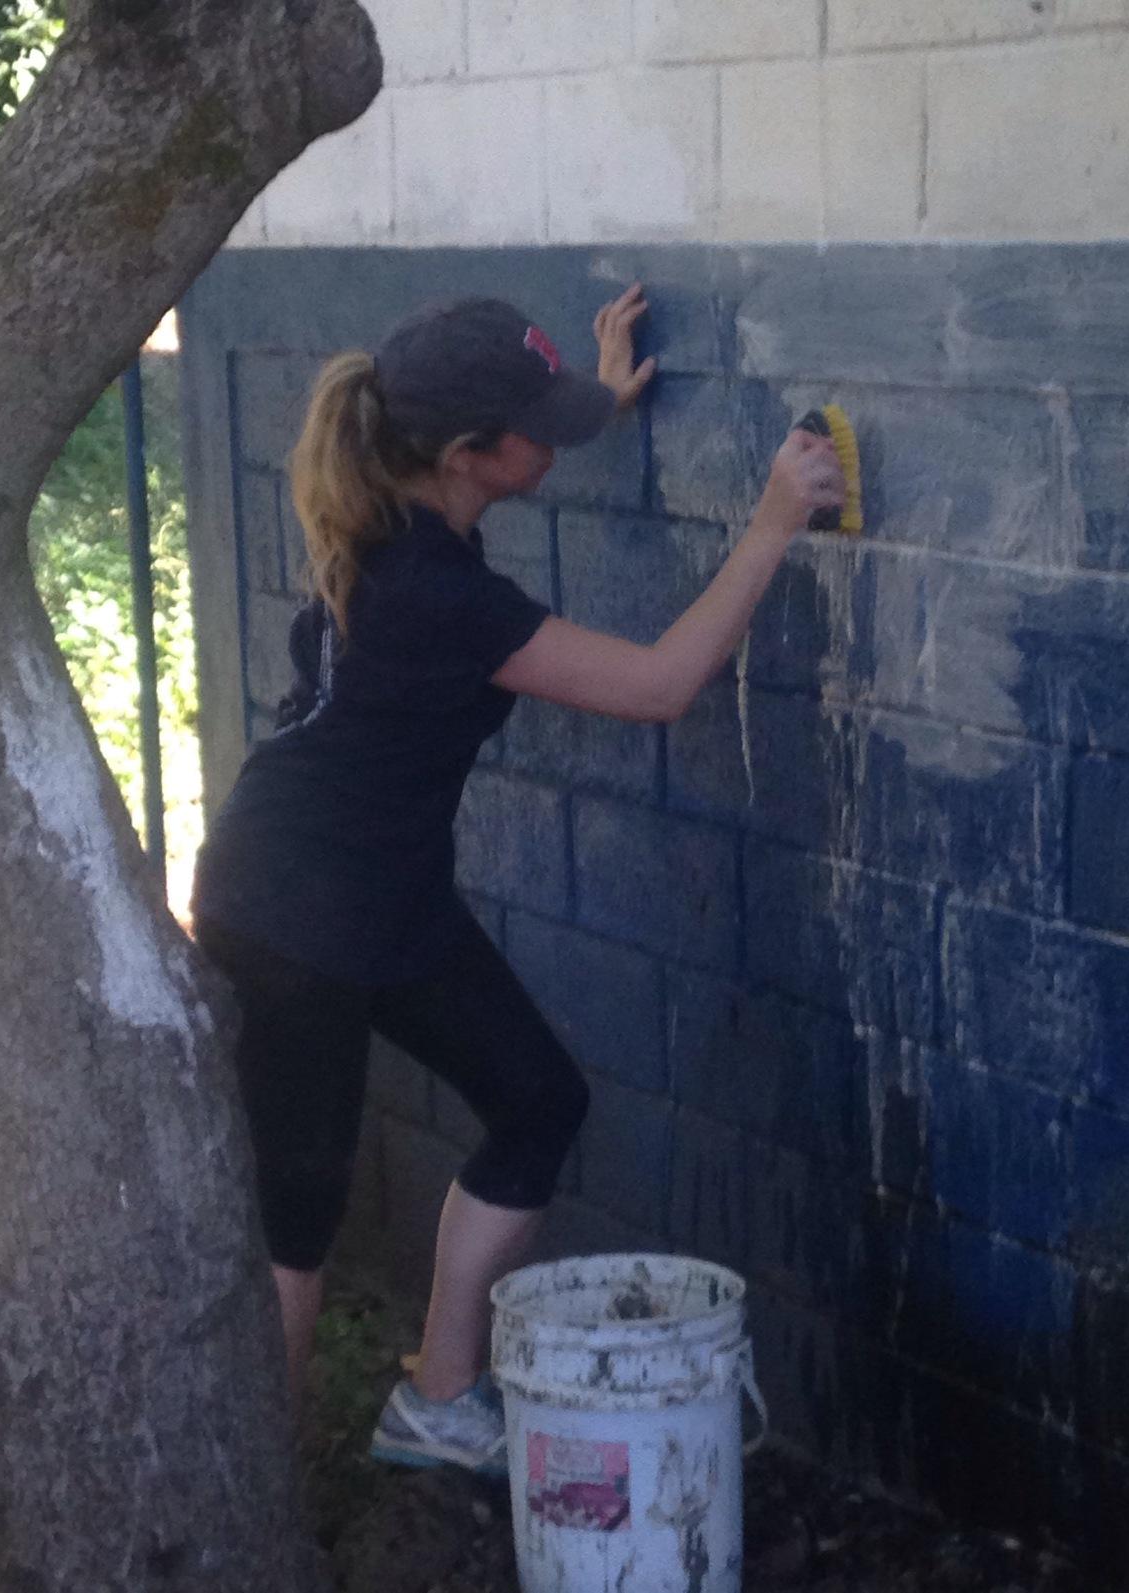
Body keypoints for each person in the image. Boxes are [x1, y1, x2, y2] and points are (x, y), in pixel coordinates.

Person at [190, 284, 845, 1475]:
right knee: (297, 1227)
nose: (557, 436)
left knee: (538, 1099)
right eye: (538, 424)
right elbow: (656, 688)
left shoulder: (405, 514)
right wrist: (772, 522)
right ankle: (262, 1511)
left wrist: (593, 392)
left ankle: (438, 1400)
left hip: (381, 894)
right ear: (469, 456)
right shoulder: (434, 594)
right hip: (293, 916)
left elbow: (529, 443)